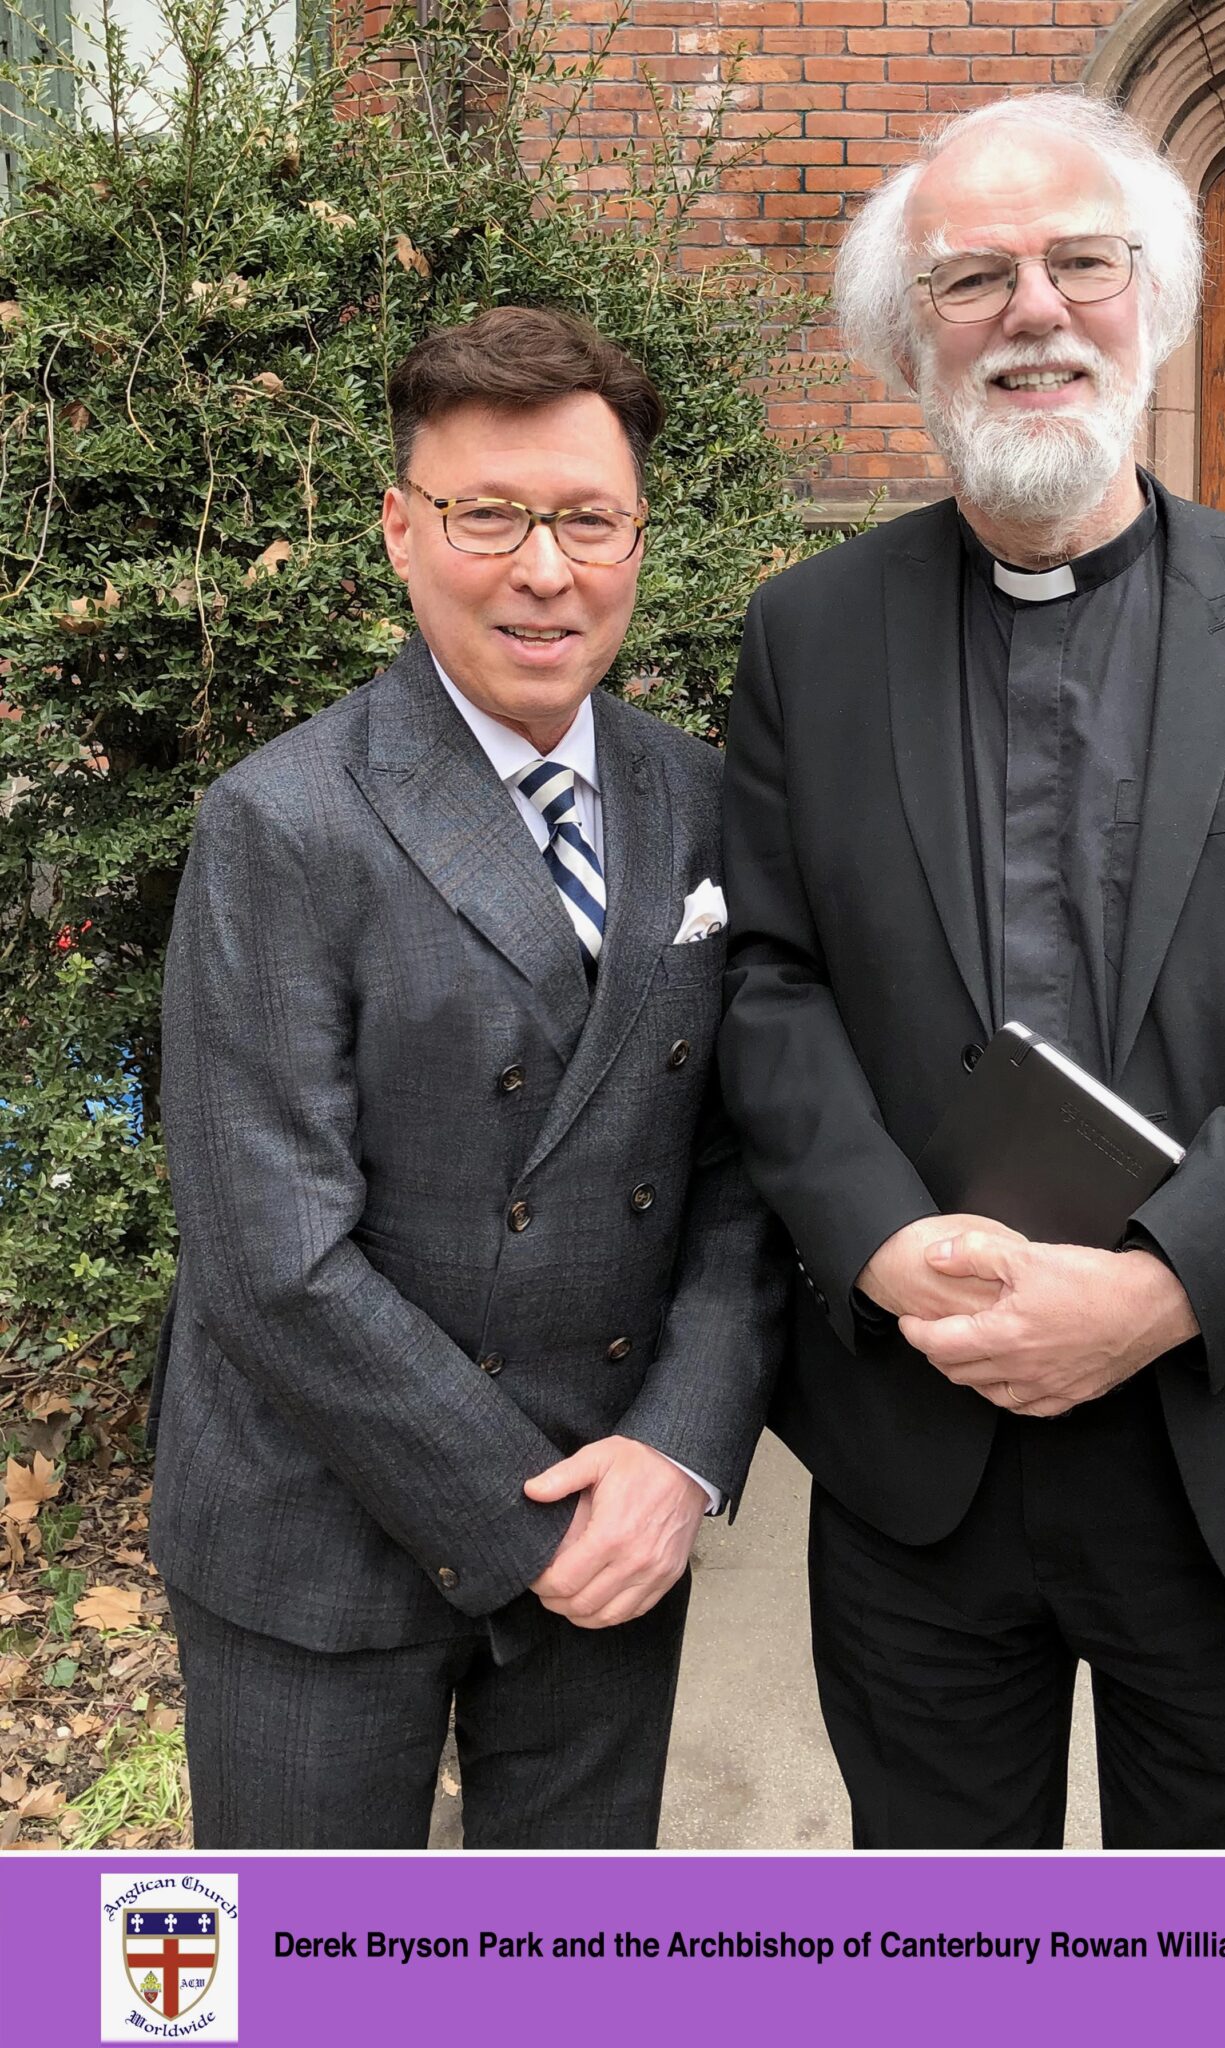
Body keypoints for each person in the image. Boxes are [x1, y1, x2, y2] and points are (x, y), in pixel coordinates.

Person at [718, 92, 1225, 1849]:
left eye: (1081, 261)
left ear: (1155, 297)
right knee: (947, 1951)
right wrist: (881, 1242)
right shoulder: (807, 636)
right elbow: (766, 978)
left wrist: (1161, 1283)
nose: (1034, 312)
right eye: (974, 277)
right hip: (924, 1434)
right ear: (909, 333)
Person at [150, 305, 783, 1849]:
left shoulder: (698, 801)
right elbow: (271, 1254)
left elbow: (740, 1170)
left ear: (638, 532)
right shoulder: (283, 822)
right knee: (299, 1979)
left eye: (587, 517)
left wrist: (679, 1454)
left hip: (613, 1496)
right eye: (487, 514)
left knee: (564, 1975)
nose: (543, 569)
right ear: (399, 529)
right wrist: (527, 1517)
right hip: (324, 1530)